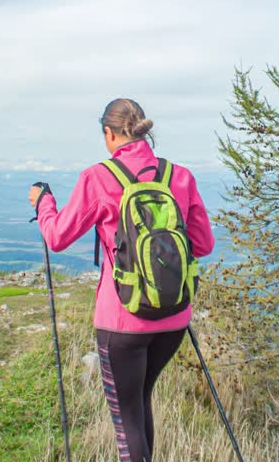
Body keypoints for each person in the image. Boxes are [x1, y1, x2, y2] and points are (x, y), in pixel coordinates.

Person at [29, 98, 215, 462]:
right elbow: (204, 244)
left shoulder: (97, 178)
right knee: (139, 402)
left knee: (127, 419)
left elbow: (57, 237)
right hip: (174, 317)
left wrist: (42, 203)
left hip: (123, 321)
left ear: (109, 134)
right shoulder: (180, 176)